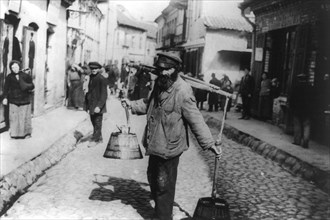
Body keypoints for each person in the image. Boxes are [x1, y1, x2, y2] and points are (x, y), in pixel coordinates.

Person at [121, 52, 222, 220]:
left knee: (163, 184)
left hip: (170, 146)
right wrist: (131, 105)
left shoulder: (183, 91)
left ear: (175, 70)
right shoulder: (160, 84)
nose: (162, 73)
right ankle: (161, 207)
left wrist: (209, 143)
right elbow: (149, 104)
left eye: (166, 70)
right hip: (154, 141)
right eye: (160, 69)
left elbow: (195, 117)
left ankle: (163, 216)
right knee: (152, 176)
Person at [2, 60, 34, 138]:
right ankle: (14, 134)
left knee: (24, 117)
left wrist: (25, 85)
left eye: (16, 67)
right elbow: (6, 88)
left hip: (24, 99)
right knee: (14, 117)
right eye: (12, 67)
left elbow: (32, 85)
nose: (14, 69)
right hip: (14, 99)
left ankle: (26, 134)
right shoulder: (9, 77)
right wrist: (5, 98)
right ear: (11, 68)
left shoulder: (25, 75)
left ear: (19, 66)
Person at [85, 62, 108, 148]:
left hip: (98, 105)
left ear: (98, 69)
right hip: (91, 104)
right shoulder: (90, 77)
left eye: (95, 69)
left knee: (98, 122)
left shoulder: (101, 79)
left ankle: (96, 140)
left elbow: (104, 95)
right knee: (93, 121)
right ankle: (99, 137)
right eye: (92, 69)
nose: (94, 70)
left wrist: (99, 106)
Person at [290, 74, 314, 149]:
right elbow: (314, 99)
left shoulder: (296, 88)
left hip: (297, 109)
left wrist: (292, 108)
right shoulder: (311, 88)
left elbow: (292, 99)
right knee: (306, 125)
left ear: (299, 79)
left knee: (297, 125)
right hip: (307, 110)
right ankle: (305, 142)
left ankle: (297, 141)